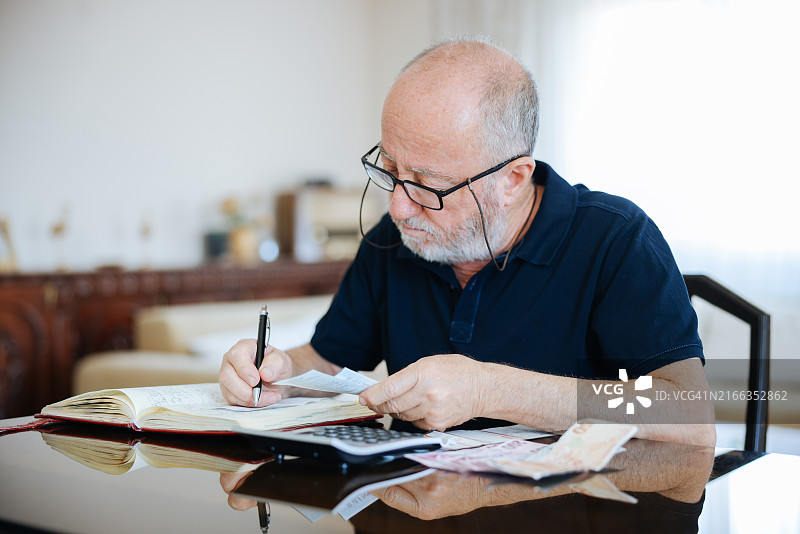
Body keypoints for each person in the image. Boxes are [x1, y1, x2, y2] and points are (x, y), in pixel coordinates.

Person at [219, 37, 715, 446]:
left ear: (513, 179)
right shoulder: (394, 240)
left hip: (571, 511)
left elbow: (687, 409)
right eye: (390, 169)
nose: (399, 208)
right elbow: (328, 360)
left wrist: (490, 389)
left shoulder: (616, 238)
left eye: (429, 186)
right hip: (417, 506)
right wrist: (280, 372)